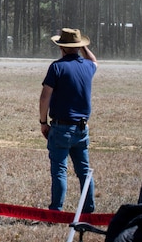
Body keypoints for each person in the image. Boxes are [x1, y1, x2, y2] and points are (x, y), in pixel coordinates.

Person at [39, 27, 97, 214]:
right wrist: (83, 47)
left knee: (59, 171)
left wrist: (43, 122)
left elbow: (45, 97)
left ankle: (56, 210)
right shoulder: (88, 67)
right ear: (79, 47)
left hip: (61, 127)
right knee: (84, 172)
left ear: (61, 47)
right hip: (81, 128)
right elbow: (94, 61)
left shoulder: (57, 67)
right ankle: (88, 210)